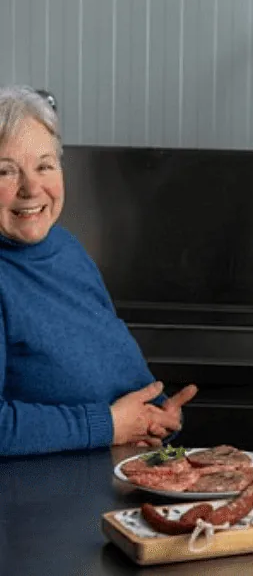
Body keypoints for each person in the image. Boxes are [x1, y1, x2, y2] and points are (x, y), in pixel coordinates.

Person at [0, 85, 198, 456]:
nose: (31, 189)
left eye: (45, 166)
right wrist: (108, 425)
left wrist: (154, 416)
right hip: (30, 502)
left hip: (106, 472)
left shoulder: (66, 248)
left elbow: (103, 364)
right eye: (5, 172)